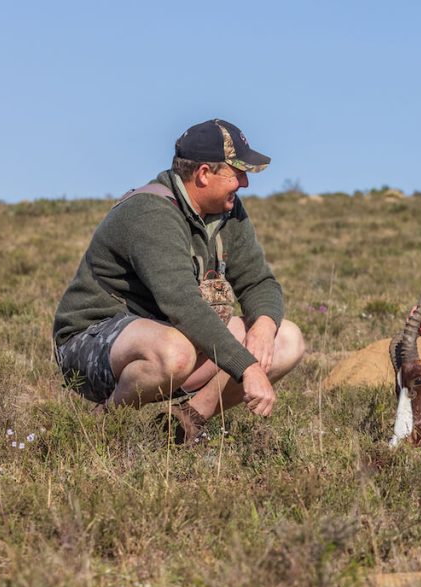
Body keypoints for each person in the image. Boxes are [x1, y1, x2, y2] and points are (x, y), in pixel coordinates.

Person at [53, 118, 305, 443]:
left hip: (172, 340)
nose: (244, 183)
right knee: (175, 353)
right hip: (91, 345)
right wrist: (248, 367)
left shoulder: (229, 212)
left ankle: (182, 426)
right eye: (237, 172)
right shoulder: (150, 213)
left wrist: (263, 327)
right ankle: (99, 431)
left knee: (286, 339)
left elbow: (259, 282)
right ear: (203, 174)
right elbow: (183, 305)